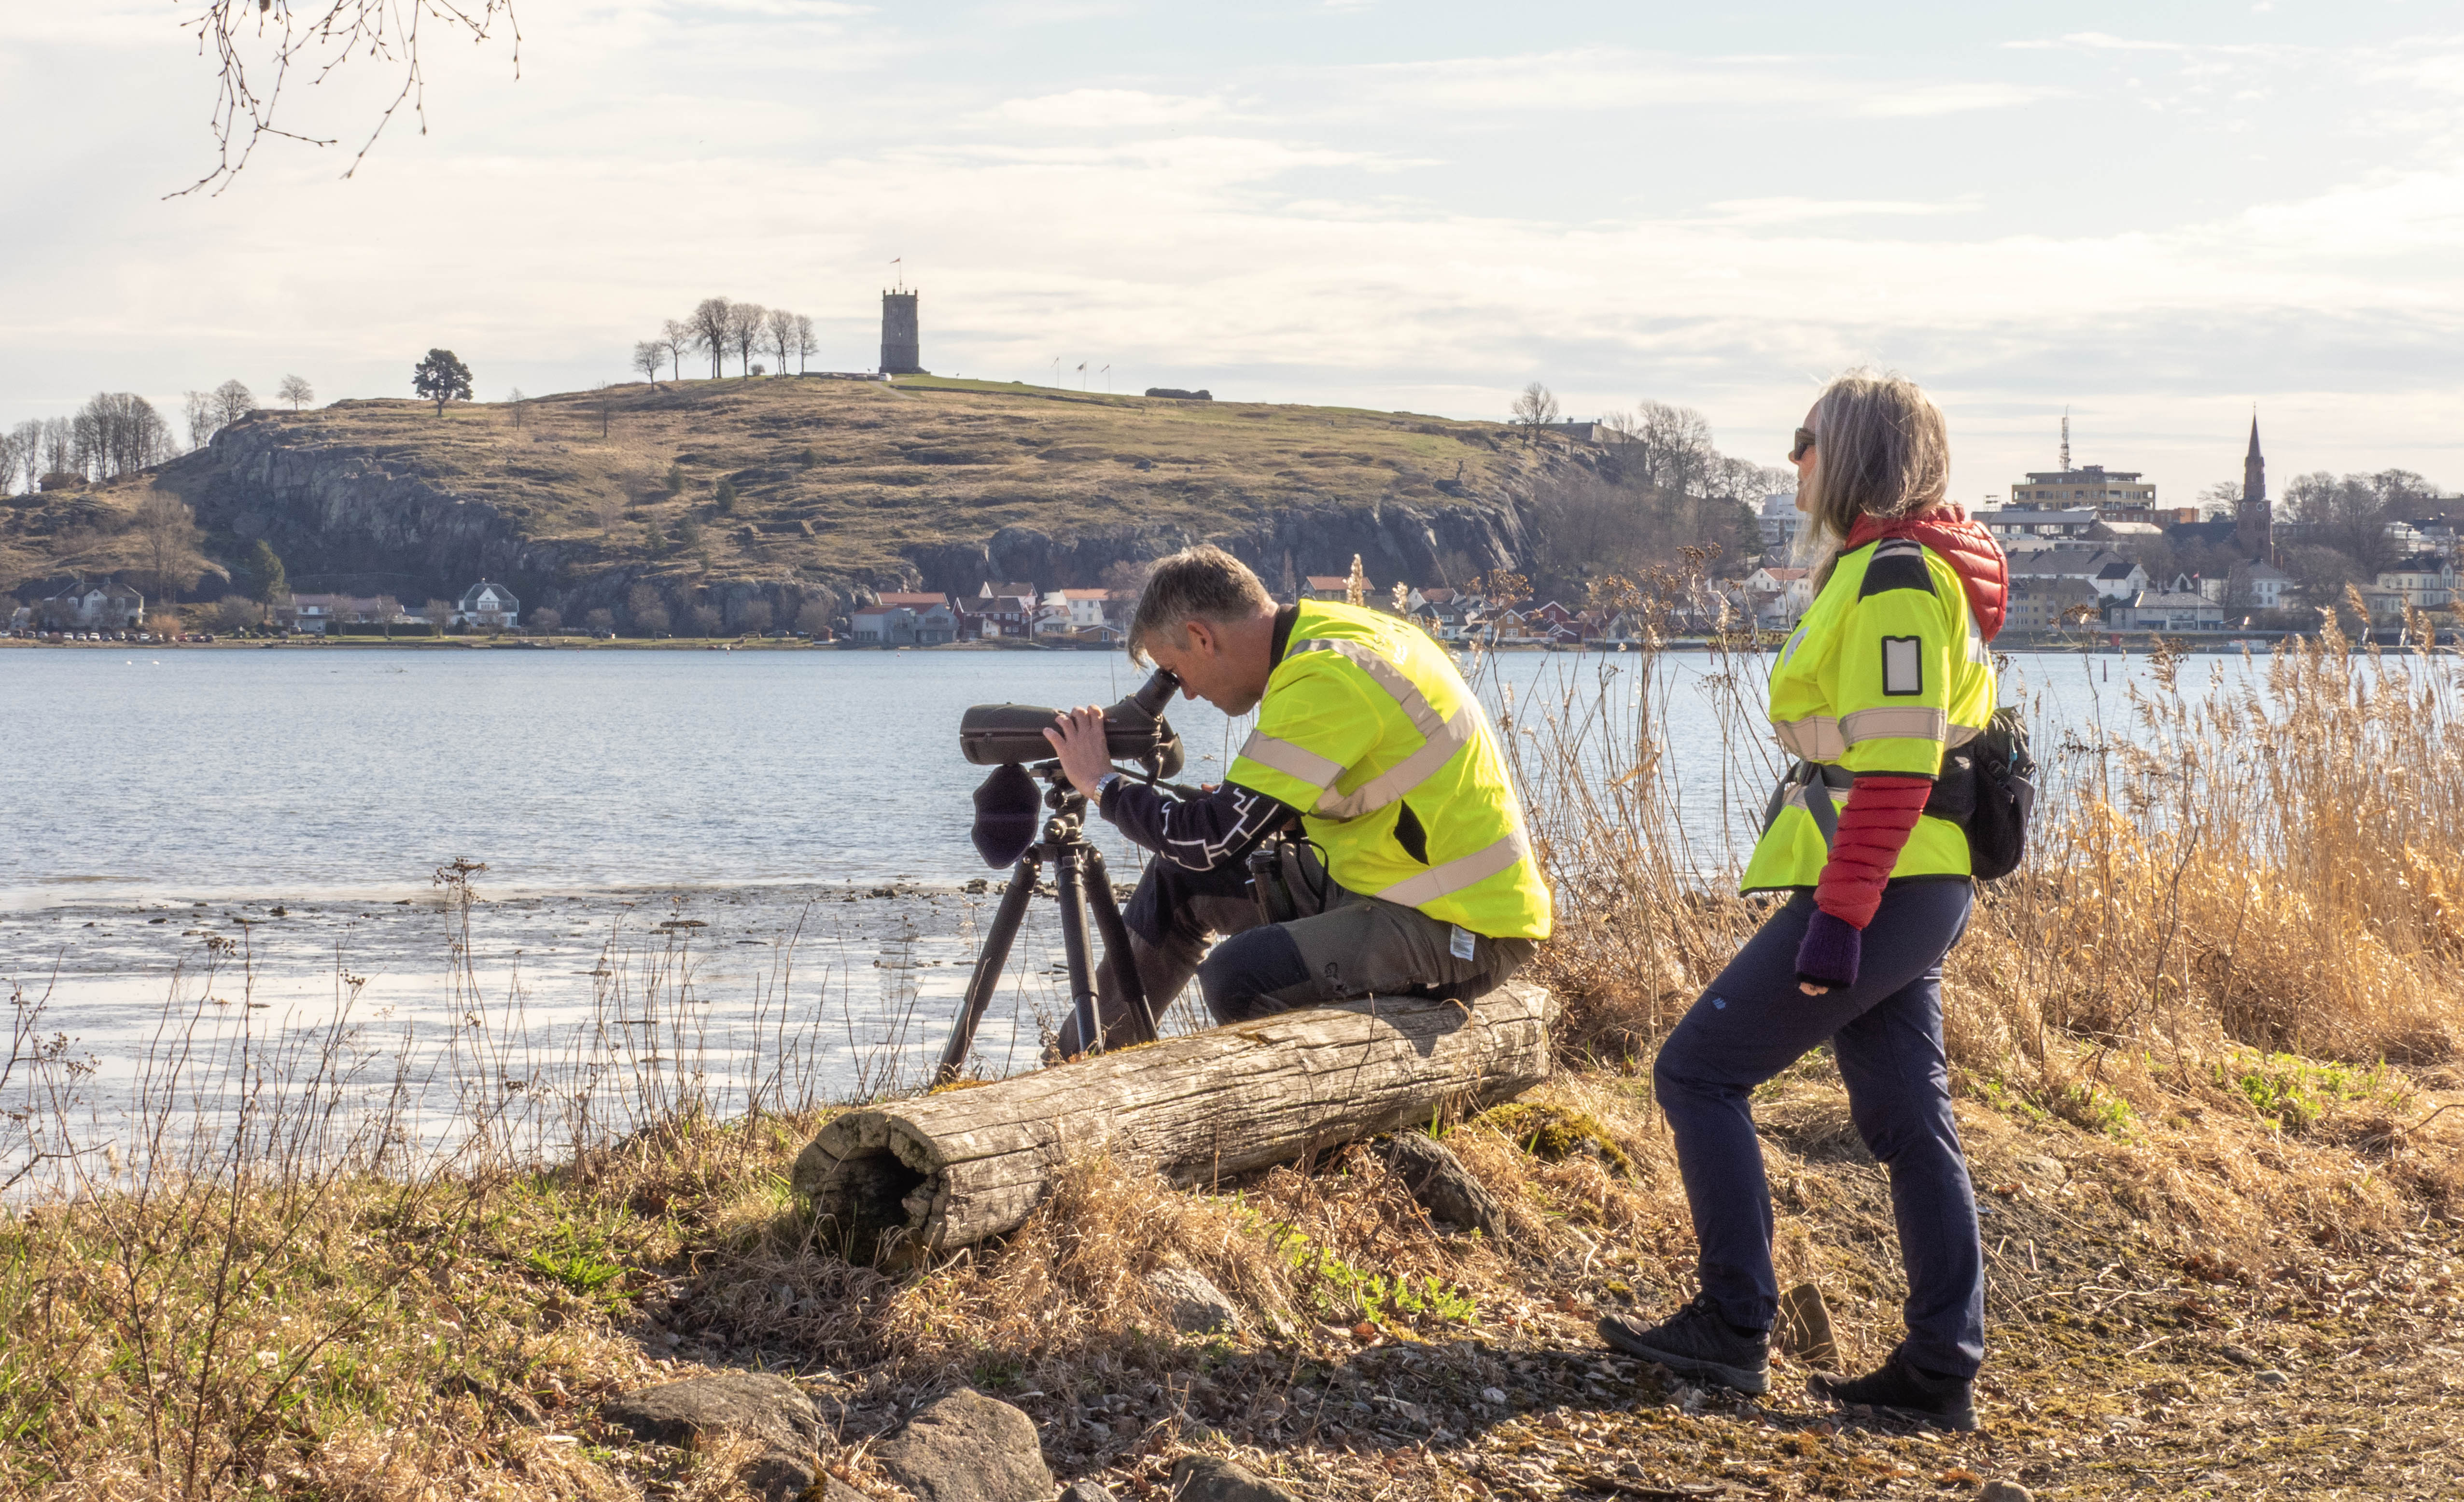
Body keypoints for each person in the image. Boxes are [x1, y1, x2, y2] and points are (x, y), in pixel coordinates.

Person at [1596, 371, 2007, 1431]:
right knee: (1907, 1116)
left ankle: (1734, 1326)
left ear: (1857, 453)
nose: (1793, 462)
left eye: (1805, 441)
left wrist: (1838, 912)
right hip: (1903, 883)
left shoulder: (1898, 579)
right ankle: (1937, 1367)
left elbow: (1897, 767)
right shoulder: (1880, 568)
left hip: (1885, 883)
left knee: (1695, 1071)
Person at [1038, 545, 1551, 1049]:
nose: (1187, 694)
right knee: (1179, 878)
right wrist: (1281, 816)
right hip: (1386, 886)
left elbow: (1207, 840)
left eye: (1175, 673)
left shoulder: (1324, 678)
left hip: (1460, 929)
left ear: (1201, 637)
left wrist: (1100, 783)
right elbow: (1381, 790)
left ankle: (1277, 1115)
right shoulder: (1336, 636)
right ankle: (1081, 1063)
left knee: (1238, 976)